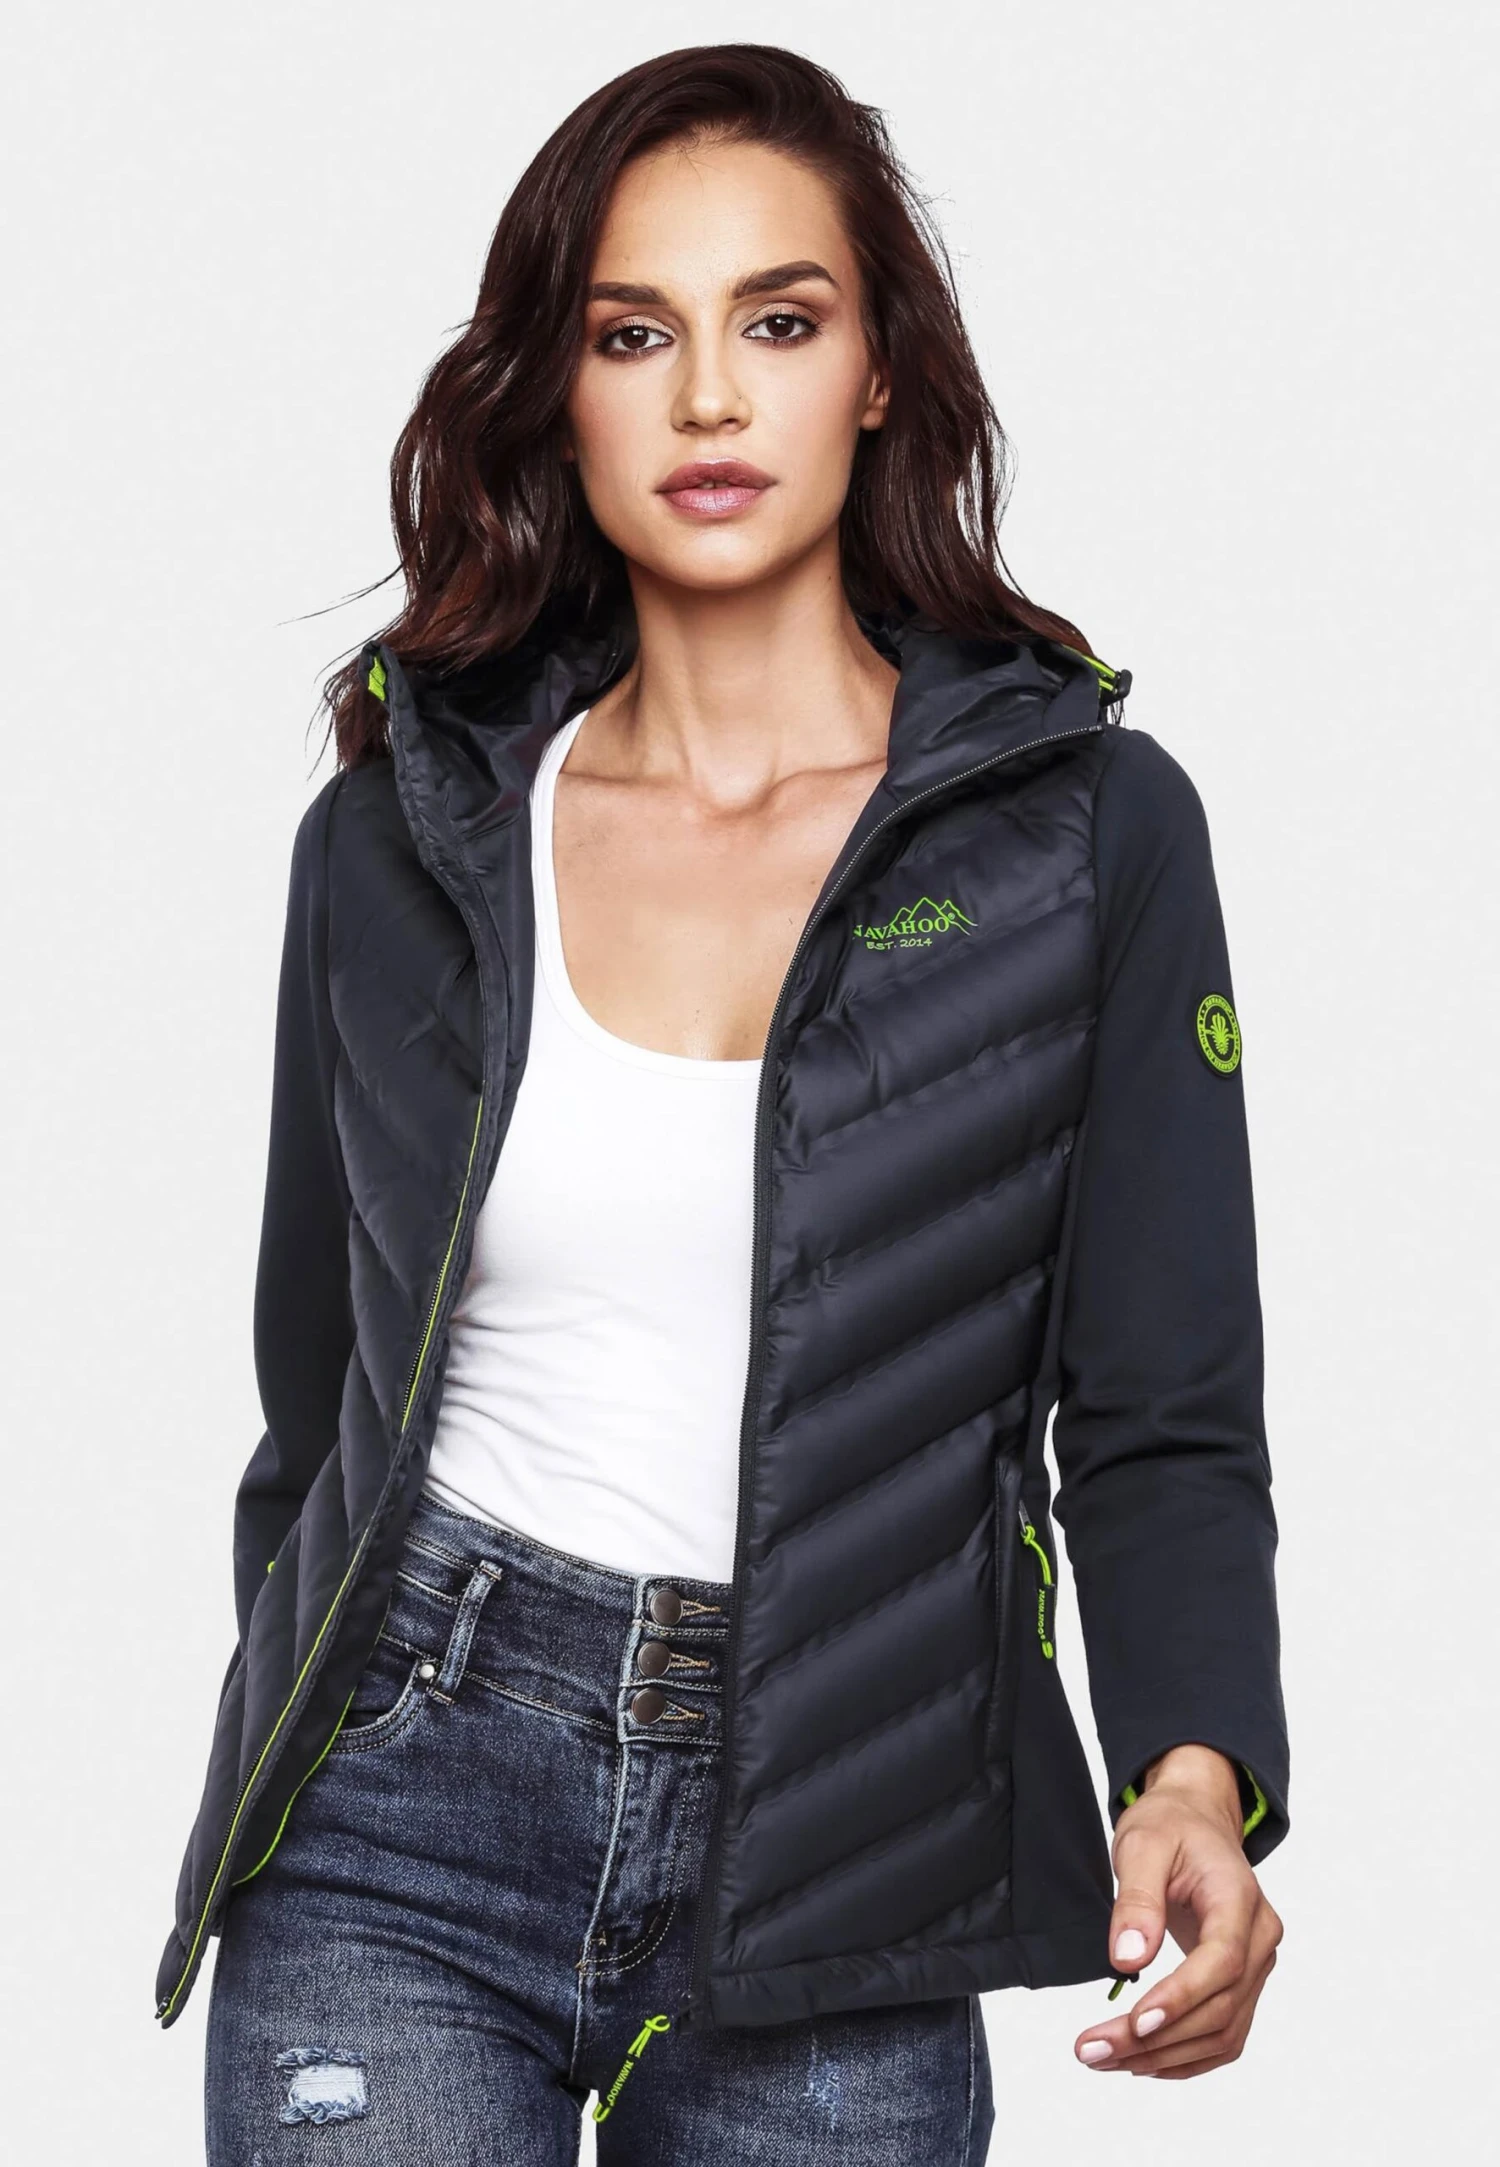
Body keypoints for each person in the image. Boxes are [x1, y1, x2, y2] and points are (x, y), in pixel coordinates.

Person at [159, 42, 1289, 2161]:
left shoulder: (1087, 836)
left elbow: (1160, 1405)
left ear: (877, 376)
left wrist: (1194, 1772)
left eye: (778, 322)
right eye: (631, 334)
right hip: (406, 1817)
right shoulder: (399, 843)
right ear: (555, 389)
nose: (705, 400)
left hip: (857, 1842)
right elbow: (320, 1403)